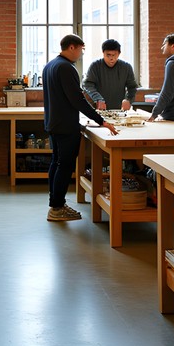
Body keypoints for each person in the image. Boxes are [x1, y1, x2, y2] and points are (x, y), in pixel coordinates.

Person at [42, 34, 117, 221]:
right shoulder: (66, 67)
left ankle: (55, 203)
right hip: (66, 125)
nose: (82, 54)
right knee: (64, 166)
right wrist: (102, 121)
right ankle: (57, 209)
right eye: (81, 50)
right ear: (72, 47)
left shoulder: (50, 65)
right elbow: (78, 100)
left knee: (56, 163)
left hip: (53, 122)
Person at [82, 39, 138, 111]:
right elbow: (88, 85)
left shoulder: (126, 67)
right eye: (108, 55)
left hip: (119, 110)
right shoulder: (95, 66)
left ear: (119, 54)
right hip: (98, 109)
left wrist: (129, 100)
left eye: (114, 55)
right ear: (103, 53)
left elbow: (132, 87)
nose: (111, 58)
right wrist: (98, 99)